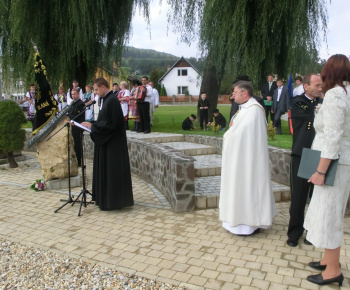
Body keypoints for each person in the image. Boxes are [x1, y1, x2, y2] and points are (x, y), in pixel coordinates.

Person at [303, 54, 350, 286]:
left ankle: (333, 271)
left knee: (329, 215)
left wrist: (321, 171)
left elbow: (332, 137)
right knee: (328, 212)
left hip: (333, 164)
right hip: (341, 162)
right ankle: (328, 259)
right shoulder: (346, 92)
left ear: (329, 74)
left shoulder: (335, 95)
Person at [219, 81, 276, 236]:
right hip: (241, 159)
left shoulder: (254, 110)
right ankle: (236, 222)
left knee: (248, 188)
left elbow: (243, 133)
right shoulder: (244, 109)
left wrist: (228, 136)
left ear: (245, 93)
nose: (233, 96)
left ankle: (250, 224)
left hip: (249, 161)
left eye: (235, 92)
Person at [81, 77, 133, 211]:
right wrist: (94, 125)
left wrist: (92, 126)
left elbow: (112, 124)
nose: (96, 92)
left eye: (97, 89)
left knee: (112, 173)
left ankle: (113, 201)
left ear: (103, 87)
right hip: (108, 143)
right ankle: (106, 199)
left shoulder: (112, 101)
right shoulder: (107, 100)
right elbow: (105, 121)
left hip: (113, 145)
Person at [286, 74, 323, 248]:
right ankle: (294, 232)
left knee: (316, 197)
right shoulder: (298, 101)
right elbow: (308, 118)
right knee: (299, 197)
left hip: (319, 155)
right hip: (302, 154)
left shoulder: (322, 102)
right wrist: (320, 110)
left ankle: (312, 231)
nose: (320, 88)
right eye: (316, 85)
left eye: (321, 85)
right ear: (306, 86)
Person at [68, 88, 85, 167]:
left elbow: (78, 116)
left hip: (77, 126)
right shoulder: (72, 103)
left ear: (78, 94)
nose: (73, 96)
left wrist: (69, 116)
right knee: (73, 144)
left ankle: (78, 161)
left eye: (74, 94)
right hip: (72, 126)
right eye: (72, 94)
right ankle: (74, 160)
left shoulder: (80, 104)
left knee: (77, 145)